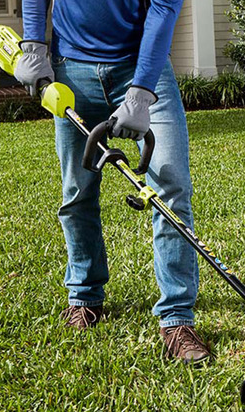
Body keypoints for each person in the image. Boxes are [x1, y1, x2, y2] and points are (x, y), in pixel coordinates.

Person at [15, 0, 210, 365]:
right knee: (77, 192)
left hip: (141, 69)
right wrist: (33, 44)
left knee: (171, 190)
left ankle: (177, 319)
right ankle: (85, 298)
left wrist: (141, 92)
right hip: (71, 69)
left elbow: (164, 8)